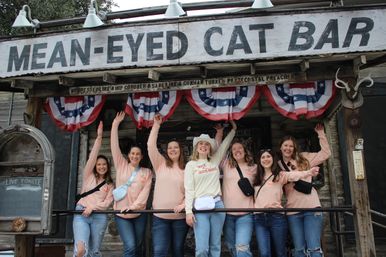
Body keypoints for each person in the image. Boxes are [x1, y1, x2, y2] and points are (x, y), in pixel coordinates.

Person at [185, 120, 237, 257]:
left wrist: (233, 130)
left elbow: (225, 145)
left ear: (210, 148)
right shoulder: (191, 165)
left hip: (217, 205)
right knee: (202, 248)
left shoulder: (214, 160)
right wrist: (188, 211)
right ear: (196, 147)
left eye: (207, 144)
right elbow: (189, 189)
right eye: (201, 143)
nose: (203, 146)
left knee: (215, 246)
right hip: (200, 206)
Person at [254, 149, 320, 257]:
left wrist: (308, 172)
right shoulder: (256, 177)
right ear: (259, 160)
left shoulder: (280, 175)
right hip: (259, 217)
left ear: (273, 159)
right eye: (263, 157)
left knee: (280, 252)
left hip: (276, 217)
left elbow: (293, 175)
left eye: (268, 156)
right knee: (264, 253)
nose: (266, 159)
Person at [278, 124, 331, 257]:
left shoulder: (304, 158)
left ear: (294, 147)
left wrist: (321, 133)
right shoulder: (277, 165)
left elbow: (326, 154)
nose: (288, 148)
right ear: (281, 147)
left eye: (291, 146)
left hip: (311, 207)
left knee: (314, 249)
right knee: (299, 250)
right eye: (285, 145)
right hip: (293, 210)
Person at [111, 111, 153, 257]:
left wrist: (133, 207)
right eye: (132, 153)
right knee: (130, 246)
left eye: (138, 154)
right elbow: (114, 147)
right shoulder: (121, 165)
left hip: (139, 214)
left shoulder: (147, 172)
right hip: (121, 214)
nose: (135, 156)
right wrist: (115, 124)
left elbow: (144, 195)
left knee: (139, 246)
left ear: (141, 157)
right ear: (128, 155)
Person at [147, 114, 188, 257]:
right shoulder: (160, 164)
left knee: (178, 251)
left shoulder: (187, 169)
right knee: (160, 252)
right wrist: (156, 125)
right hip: (160, 217)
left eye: (175, 147)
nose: (172, 150)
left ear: (180, 150)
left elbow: (192, 191)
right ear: (166, 151)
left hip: (180, 219)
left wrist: (185, 203)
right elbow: (150, 145)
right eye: (170, 148)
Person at [73, 121, 114, 257]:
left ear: (107, 166)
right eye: (99, 164)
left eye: (104, 164)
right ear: (95, 166)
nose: (101, 166)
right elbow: (92, 157)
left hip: (99, 217)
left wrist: (93, 207)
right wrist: (99, 137)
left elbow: (107, 203)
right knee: (81, 250)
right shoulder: (88, 175)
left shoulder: (109, 184)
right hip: (81, 215)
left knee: (94, 252)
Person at [222, 140, 257, 257]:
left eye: (240, 148)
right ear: (231, 153)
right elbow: (219, 150)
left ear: (245, 151)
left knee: (242, 248)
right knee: (232, 247)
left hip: (246, 214)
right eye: (234, 149)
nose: (237, 151)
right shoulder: (226, 165)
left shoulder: (254, 168)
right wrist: (220, 134)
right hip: (227, 214)